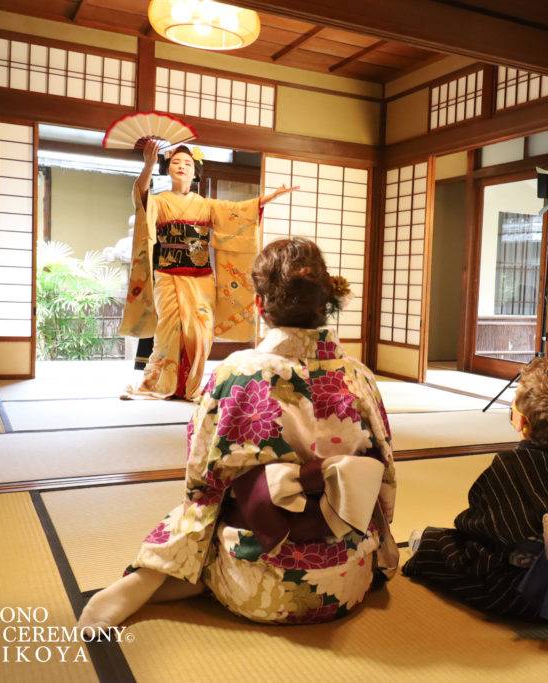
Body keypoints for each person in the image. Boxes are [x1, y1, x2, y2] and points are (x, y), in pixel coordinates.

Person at [79, 238, 397, 628]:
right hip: (349, 581)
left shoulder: (235, 372)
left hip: (255, 583)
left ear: (260, 305)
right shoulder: (359, 376)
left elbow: (202, 482)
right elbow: (385, 476)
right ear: (326, 302)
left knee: (198, 505)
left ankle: (150, 583)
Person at [402, 359, 548, 653]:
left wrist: (467, 527)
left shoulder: (510, 464)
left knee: (444, 544)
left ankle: (427, 545)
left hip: (519, 593)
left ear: (521, 421)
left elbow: (485, 525)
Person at [120, 140, 297, 400]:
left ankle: (190, 385)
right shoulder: (160, 201)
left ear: (195, 173)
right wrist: (147, 165)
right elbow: (141, 197)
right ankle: (158, 383)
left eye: (188, 164)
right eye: (176, 163)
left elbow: (238, 211)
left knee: (201, 334)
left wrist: (265, 199)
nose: (181, 166)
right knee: (169, 331)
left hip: (200, 276)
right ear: (167, 169)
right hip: (168, 275)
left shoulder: (207, 205)